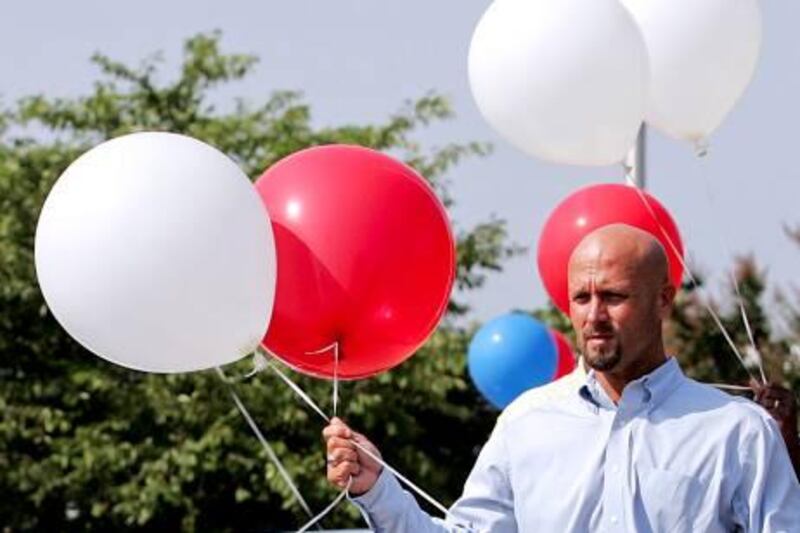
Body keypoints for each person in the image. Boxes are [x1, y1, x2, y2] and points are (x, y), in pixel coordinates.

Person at [323, 224, 800, 531]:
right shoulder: (527, 422)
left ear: (663, 300)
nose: (594, 316)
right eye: (581, 298)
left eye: (613, 296)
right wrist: (378, 489)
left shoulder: (736, 432)